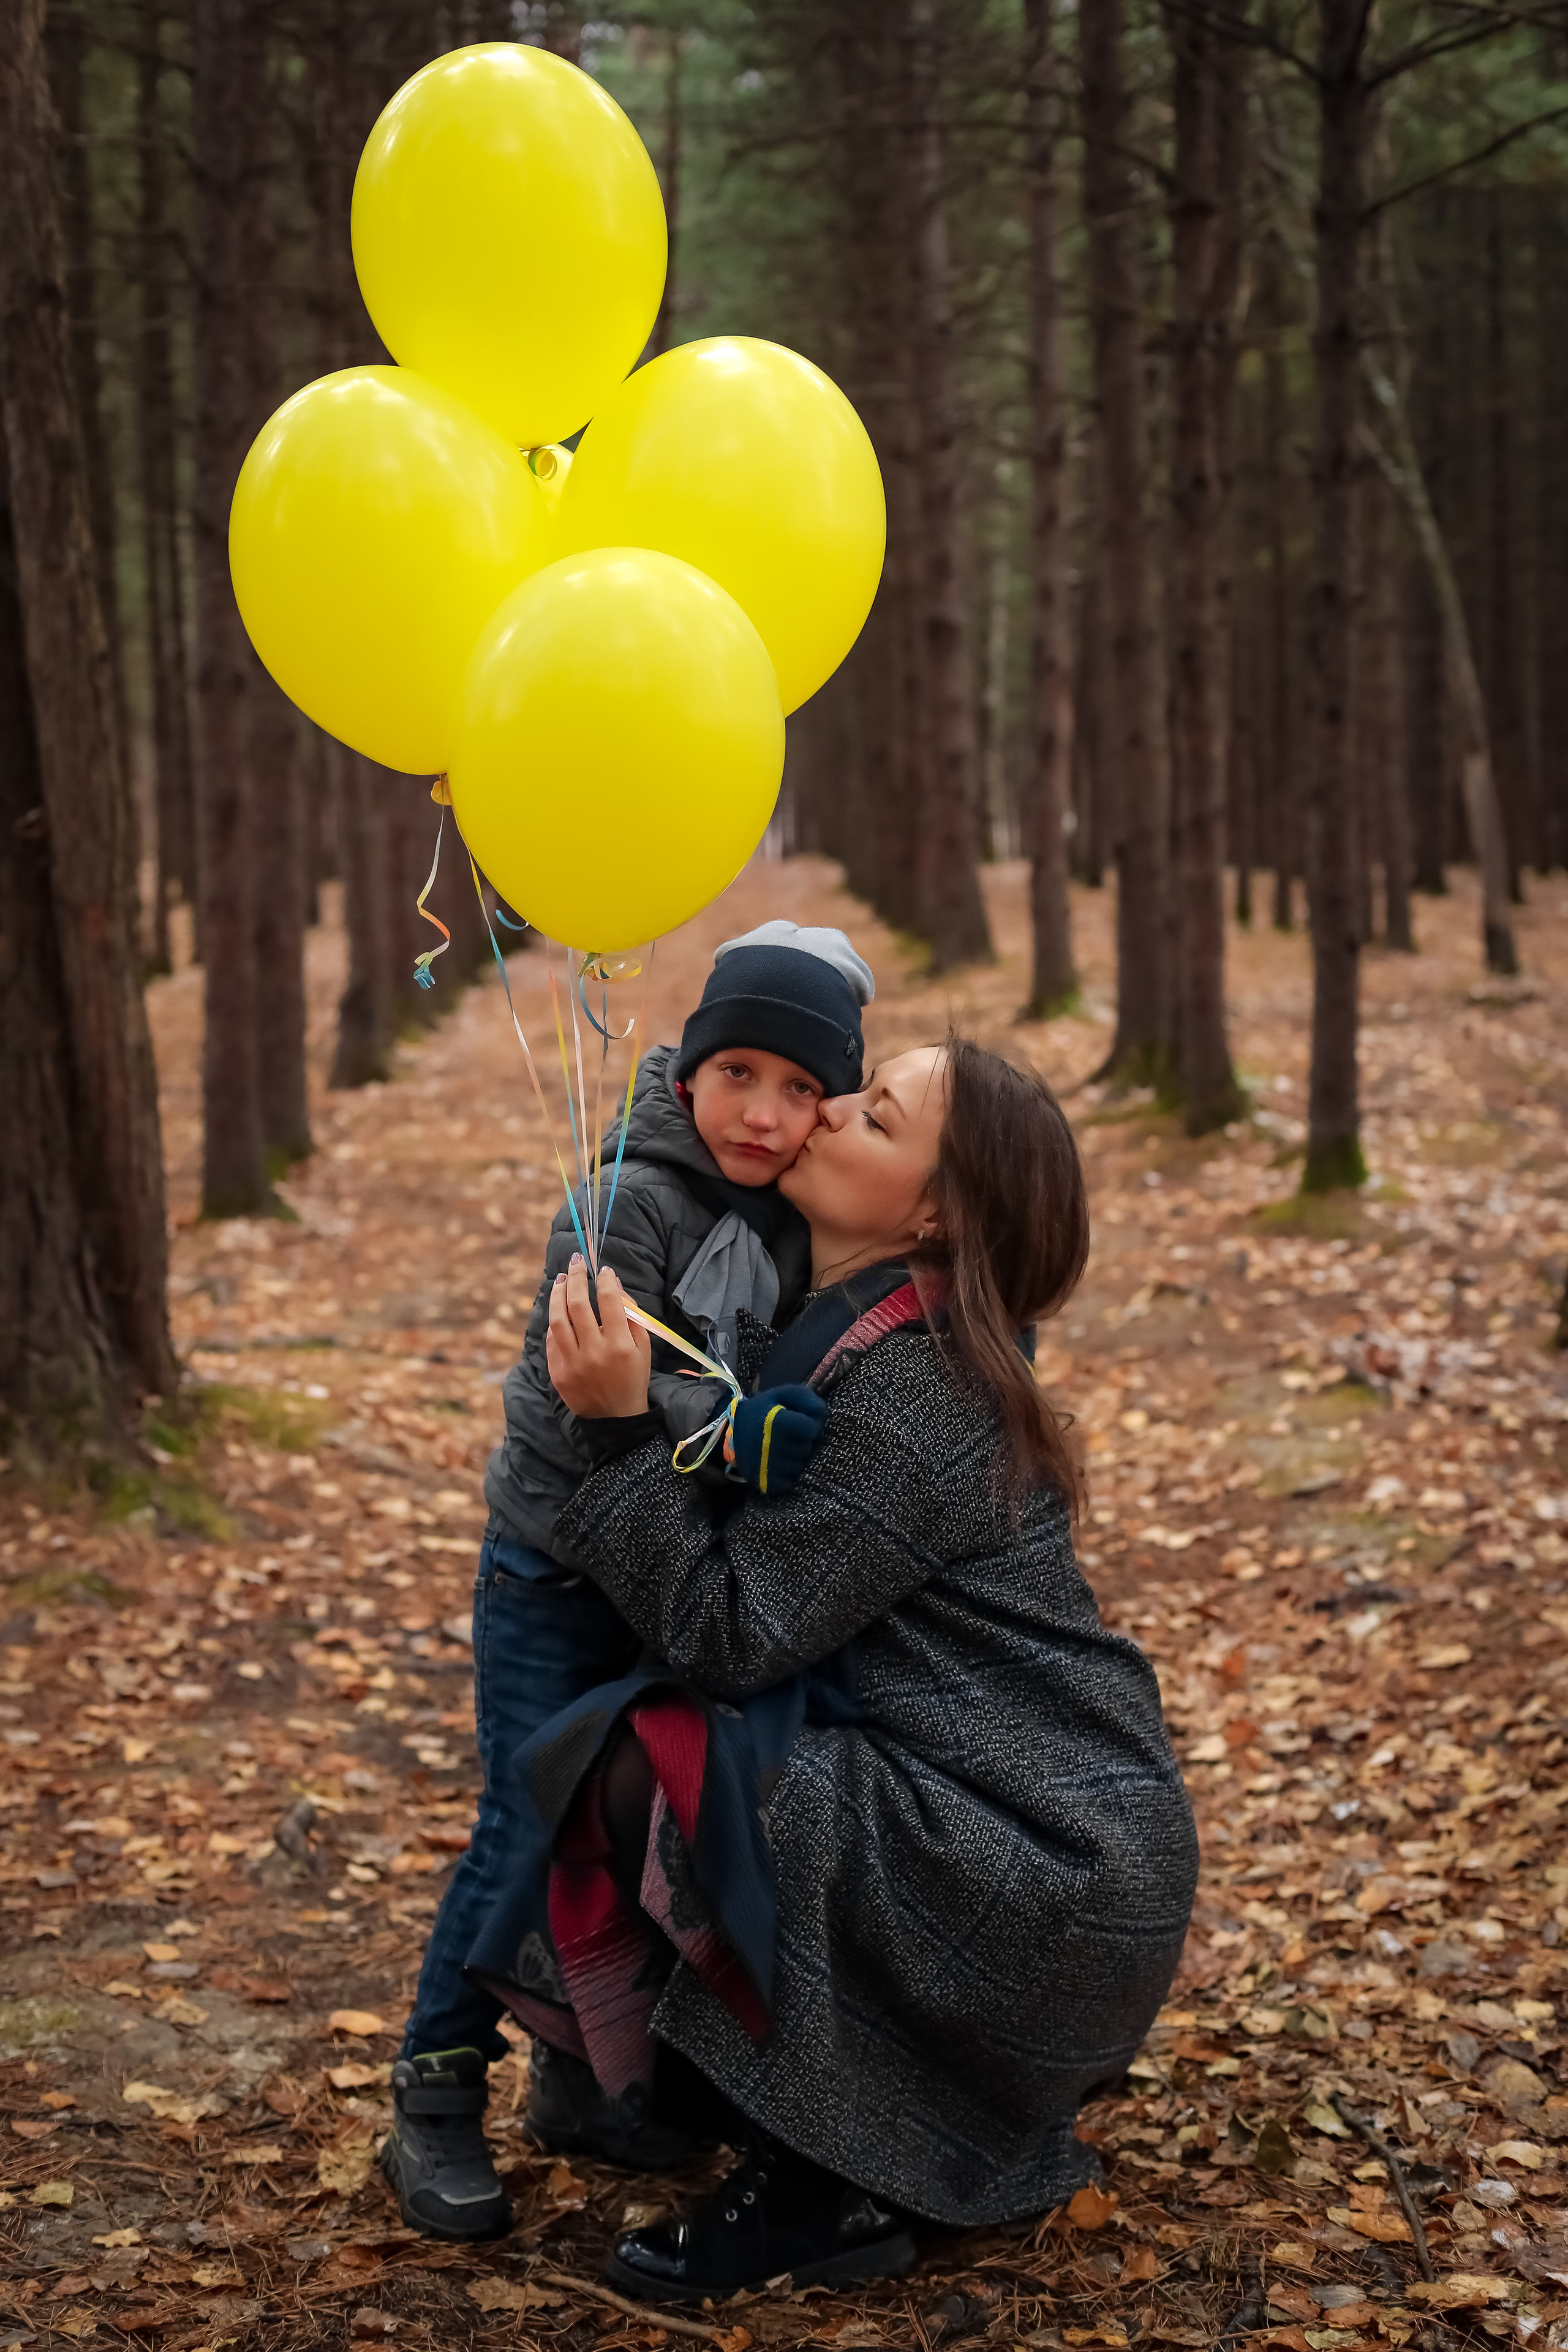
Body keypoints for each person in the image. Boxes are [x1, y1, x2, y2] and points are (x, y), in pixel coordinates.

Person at [469, 1038, 1199, 2300]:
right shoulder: (846, 1332)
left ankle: (818, 2188)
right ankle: (724, 2094)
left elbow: (731, 1633)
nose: (819, 1117)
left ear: (930, 1213)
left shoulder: (915, 1392)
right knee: (664, 1755)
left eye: (871, 1118)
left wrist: (612, 1429)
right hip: (1004, 1818)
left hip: (1047, 1863)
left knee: (672, 1766)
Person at [381, 920, 876, 2240]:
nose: (764, 1114)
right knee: (526, 1818)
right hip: (554, 1568)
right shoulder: (620, 1198)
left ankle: (587, 2081)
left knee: (640, 1819)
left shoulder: (797, 1218)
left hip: (673, 1570)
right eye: (739, 1075)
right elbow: (576, 1386)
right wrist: (718, 1435)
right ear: (689, 1066)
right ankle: (432, 2090)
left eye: (801, 1090)